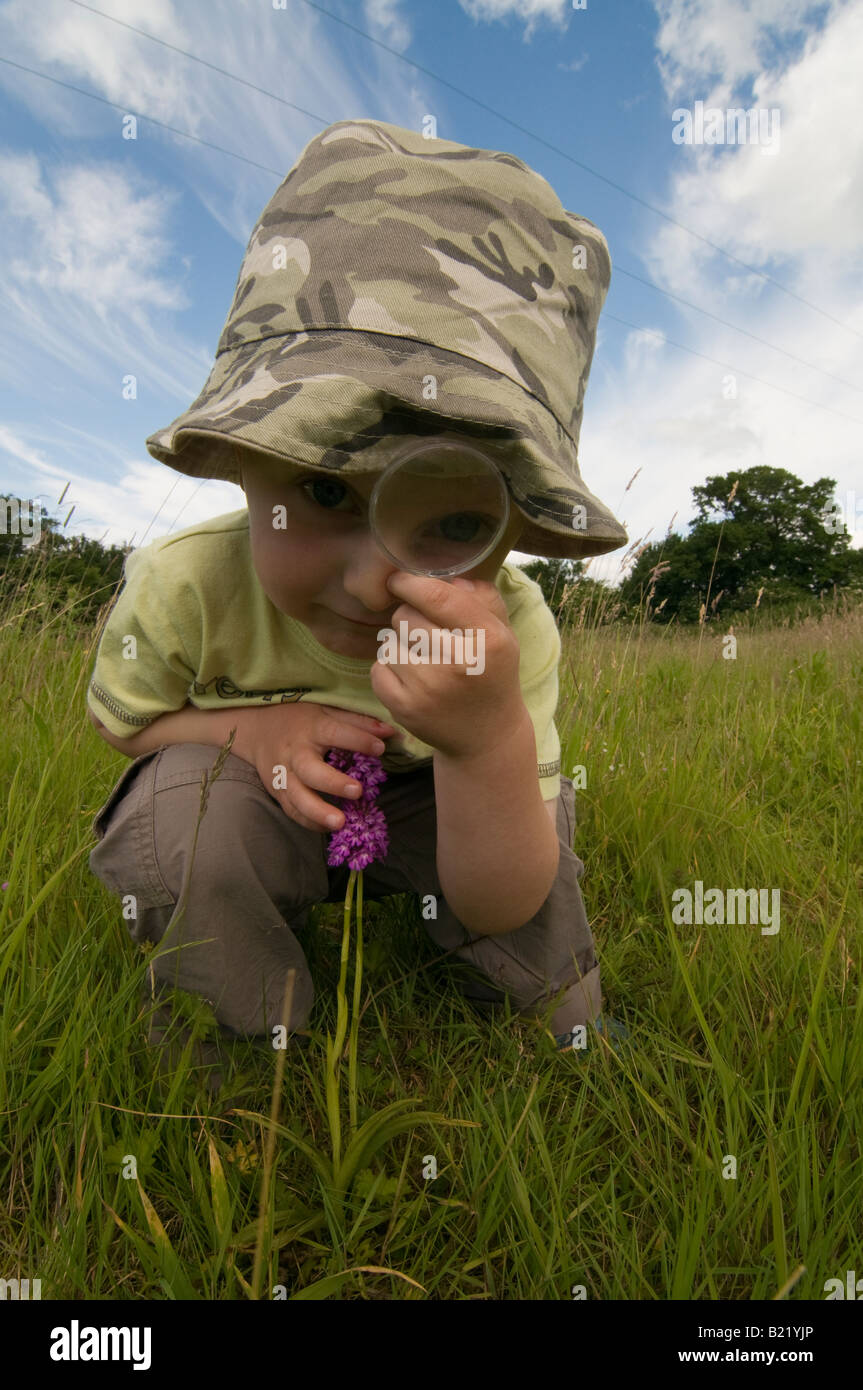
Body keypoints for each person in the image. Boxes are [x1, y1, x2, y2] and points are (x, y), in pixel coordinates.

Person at [86, 118, 629, 1072]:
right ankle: (247, 1035)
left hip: (441, 804)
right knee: (180, 814)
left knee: (535, 907)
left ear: (515, 526)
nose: (379, 576)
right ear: (244, 465)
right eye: (328, 493)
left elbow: (503, 887)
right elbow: (128, 721)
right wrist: (248, 732)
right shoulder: (184, 581)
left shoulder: (511, 628)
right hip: (263, 797)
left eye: (456, 525)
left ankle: (549, 1023)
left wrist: (486, 743)